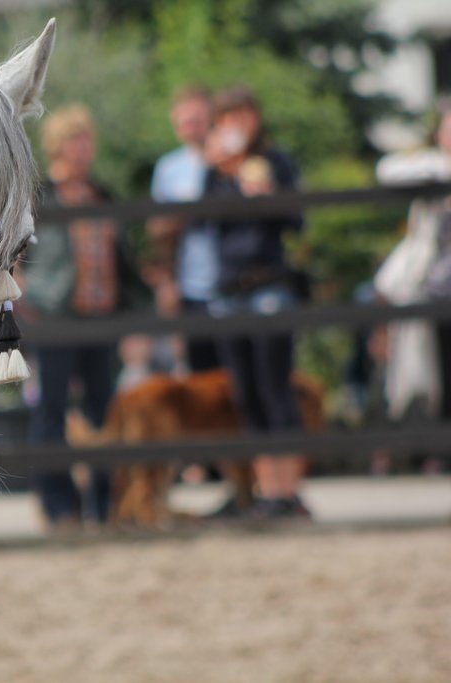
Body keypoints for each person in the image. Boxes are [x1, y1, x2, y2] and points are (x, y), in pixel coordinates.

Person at [20, 104, 150, 530]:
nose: (85, 148)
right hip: (55, 318)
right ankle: (60, 507)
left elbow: (123, 260)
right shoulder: (38, 194)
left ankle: (102, 505)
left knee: (103, 412)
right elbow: (14, 257)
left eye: (88, 140)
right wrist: (30, 299)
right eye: (78, 140)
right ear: (58, 145)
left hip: (102, 319)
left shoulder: (102, 195)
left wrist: (137, 312)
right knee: (51, 412)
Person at [201, 85, 310, 519]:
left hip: (270, 287)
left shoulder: (277, 161)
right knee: (247, 395)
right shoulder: (216, 171)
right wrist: (224, 173)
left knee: (276, 389)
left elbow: (296, 219)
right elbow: (205, 220)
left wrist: (264, 193)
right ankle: (268, 491)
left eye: (243, 115)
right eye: (228, 117)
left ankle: (287, 492)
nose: (237, 125)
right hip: (230, 292)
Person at [374, 101, 451, 474]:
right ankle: (433, 450)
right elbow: (387, 171)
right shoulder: (432, 169)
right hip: (433, 289)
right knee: (431, 375)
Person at [147, 85, 218, 374]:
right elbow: (157, 231)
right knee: (199, 374)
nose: (190, 127)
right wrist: (166, 283)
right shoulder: (169, 168)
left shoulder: (228, 159)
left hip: (231, 287)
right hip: (191, 285)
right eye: (184, 122)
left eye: (197, 119)